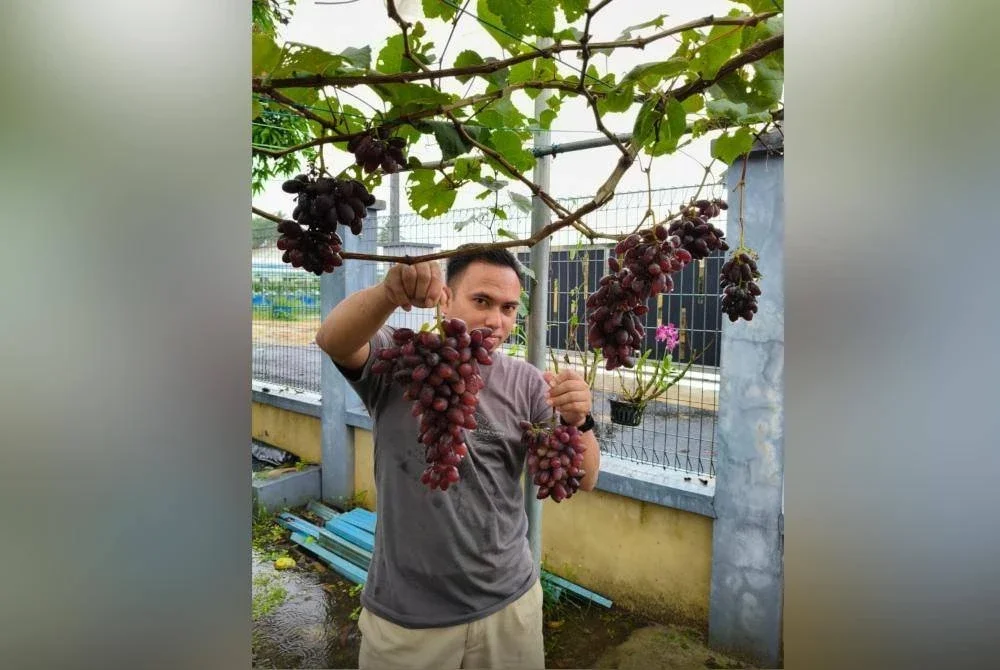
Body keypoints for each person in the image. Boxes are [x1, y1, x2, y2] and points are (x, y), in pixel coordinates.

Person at [315, 247, 601, 670]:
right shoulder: (404, 361)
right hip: (407, 618)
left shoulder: (528, 383)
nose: (496, 321)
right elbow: (333, 339)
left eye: (508, 308)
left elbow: (586, 478)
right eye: (482, 301)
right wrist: (389, 293)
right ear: (445, 298)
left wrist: (581, 420)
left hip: (509, 606)